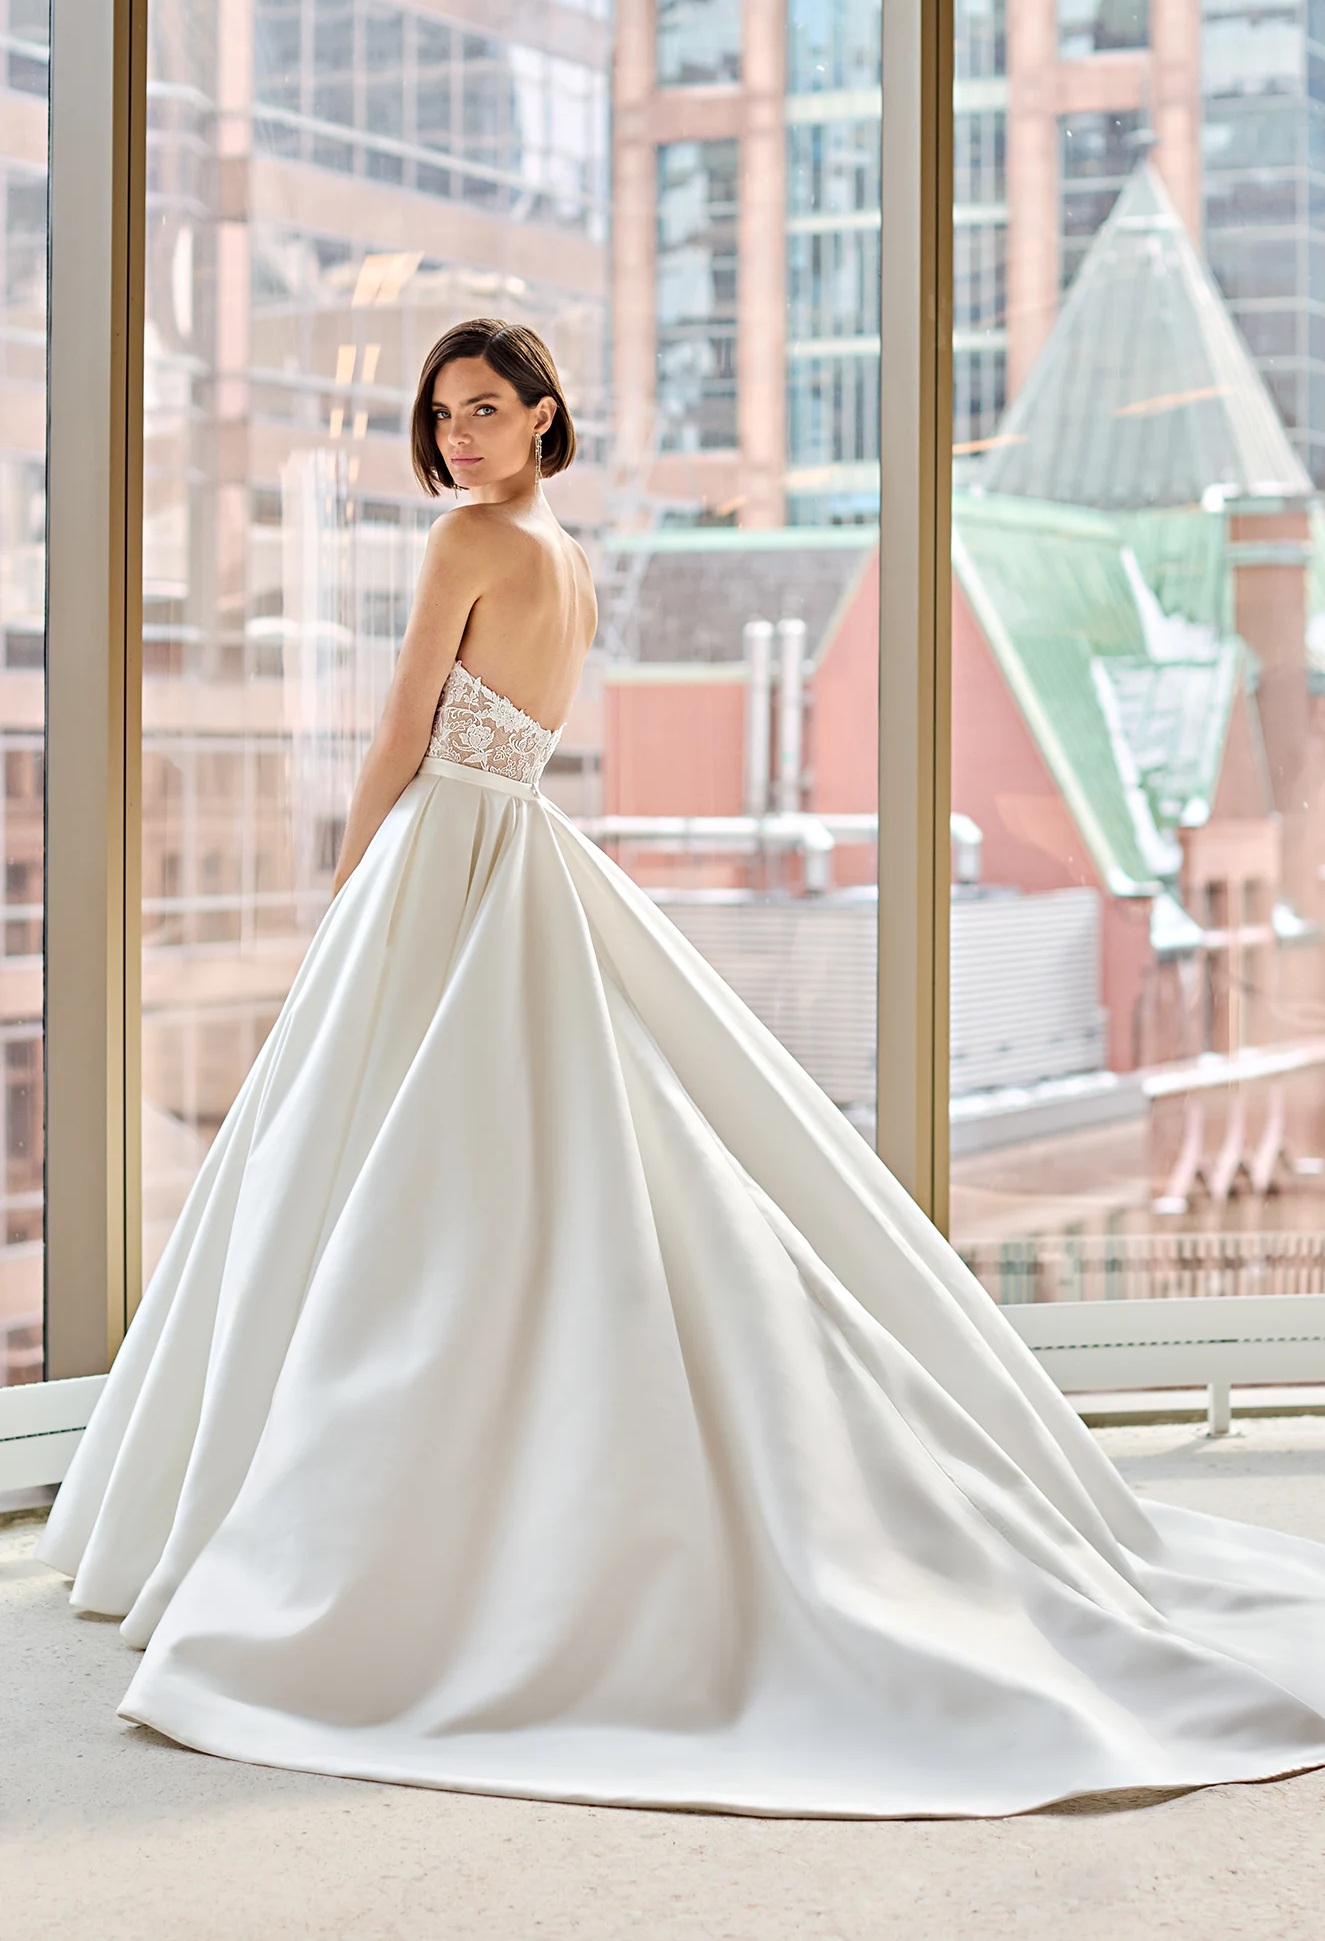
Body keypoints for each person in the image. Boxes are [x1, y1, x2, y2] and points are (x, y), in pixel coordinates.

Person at [40, 319, 1325, 1819]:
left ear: (540, 417)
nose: (458, 436)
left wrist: (350, 877)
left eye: (484, 410)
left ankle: (314, 1524)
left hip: (447, 850)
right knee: (477, 1166)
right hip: (518, 843)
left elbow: (406, 723)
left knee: (373, 1174)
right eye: (442, 414)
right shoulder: (568, 558)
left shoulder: (470, 541)